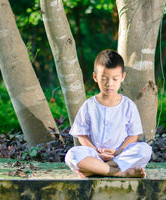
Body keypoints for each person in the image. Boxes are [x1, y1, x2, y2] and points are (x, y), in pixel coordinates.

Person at [65, 49, 152, 178]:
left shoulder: (128, 106)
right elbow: (81, 135)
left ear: (122, 77)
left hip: (120, 154)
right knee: (72, 155)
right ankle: (118, 172)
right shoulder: (89, 105)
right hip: (95, 155)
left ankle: (96, 169)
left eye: (115, 79)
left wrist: (118, 152)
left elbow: (133, 136)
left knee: (145, 150)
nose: (109, 84)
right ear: (95, 77)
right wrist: (96, 153)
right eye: (104, 79)